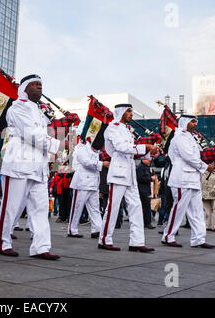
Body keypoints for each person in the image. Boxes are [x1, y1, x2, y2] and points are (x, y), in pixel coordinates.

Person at [0, 74, 61, 260]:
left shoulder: (40, 111)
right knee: (11, 207)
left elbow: (45, 132)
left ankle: (41, 247)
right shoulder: (17, 108)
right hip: (19, 162)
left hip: (38, 167)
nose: (39, 87)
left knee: (40, 209)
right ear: (24, 88)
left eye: (41, 84)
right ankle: (3, 242)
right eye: (34, 84)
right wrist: (58, 145)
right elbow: (31, 134)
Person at [98, 104, 158, 253]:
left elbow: (132, 151)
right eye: (129, 111)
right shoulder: (113, 128)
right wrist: (145, 147)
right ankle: (104, 239)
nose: (131, 114)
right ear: (121, 113)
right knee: (113, 207)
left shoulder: (126, 130)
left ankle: (136, 242)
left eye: (131, 111)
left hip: (130, 172)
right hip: (118, 171)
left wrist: (150, 153)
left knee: (136, 207)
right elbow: (120, 147)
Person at [162, 114, 215, 249]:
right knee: (178, 209)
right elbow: (188, 157)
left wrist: (212, 159)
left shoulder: (192, 138)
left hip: (194, 179)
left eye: (196, 122)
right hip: (182, 179)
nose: (195, 124)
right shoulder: (179, 137)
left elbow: (200, 155)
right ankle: (168, 236)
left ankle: (199, 239)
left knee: (197, 211)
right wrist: (205, 167)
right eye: (192, 121)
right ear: (184, 122)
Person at [68, 139, 110, 239]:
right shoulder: (81, 147)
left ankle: (97, 229)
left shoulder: (96, 149)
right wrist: (101, 164)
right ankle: (72, 229)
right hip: (82, 182)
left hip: (94, 183)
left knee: (95, 207)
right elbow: (86, 162)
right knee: (77, 207)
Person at [136, 159, 156, 229]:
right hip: (143, 190)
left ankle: (145, 222)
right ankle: (147, 222)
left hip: (145, 189)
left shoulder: (144, 166)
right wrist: (150, 178)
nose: (150, 161)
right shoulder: (141, 167)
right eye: (148, 159)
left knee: (146, 206)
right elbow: (140, 178)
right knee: (146, 206)